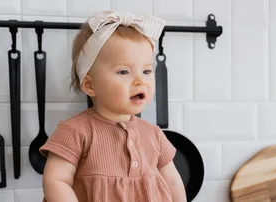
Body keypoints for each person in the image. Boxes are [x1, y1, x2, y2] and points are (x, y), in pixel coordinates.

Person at [38, 10, 187, 202]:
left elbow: (173, 181)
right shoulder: (74, 131)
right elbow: (56, 180)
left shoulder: (154, 134)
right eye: (124, 71)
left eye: (147, 71)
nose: (140, 81)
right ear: (90, 85)